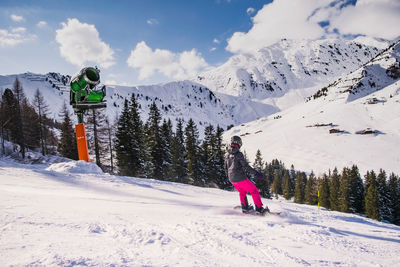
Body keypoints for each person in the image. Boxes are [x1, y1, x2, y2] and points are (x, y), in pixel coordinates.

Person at [224, 135, 269, 214]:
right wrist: (256, 173)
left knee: (242, 191)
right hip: (240, 177)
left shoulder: (227, 154)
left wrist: (229, 177)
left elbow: (225, 167)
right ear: (238, 143)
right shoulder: (238, 154)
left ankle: (245, 208)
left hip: (232, 179)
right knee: (254, 190)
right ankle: (259, 209)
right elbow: (246, 167)